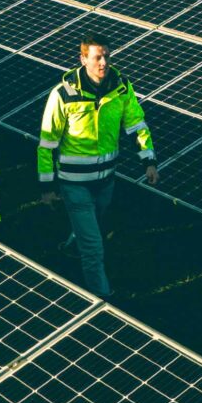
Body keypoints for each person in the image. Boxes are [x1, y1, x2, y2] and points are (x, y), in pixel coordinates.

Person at [36, 33, 158, 297]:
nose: (103, 62)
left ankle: (70, 246)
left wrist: (149, 160)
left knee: (92, 223)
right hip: (74, 183)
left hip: (105, 181)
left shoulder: (122, 88)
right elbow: (47, 144)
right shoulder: (64, 94)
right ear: (83, 59)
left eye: (106, 56)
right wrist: (47, 186)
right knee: (94, 246)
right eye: (97, 57)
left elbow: (137, 125)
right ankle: (103, 302)